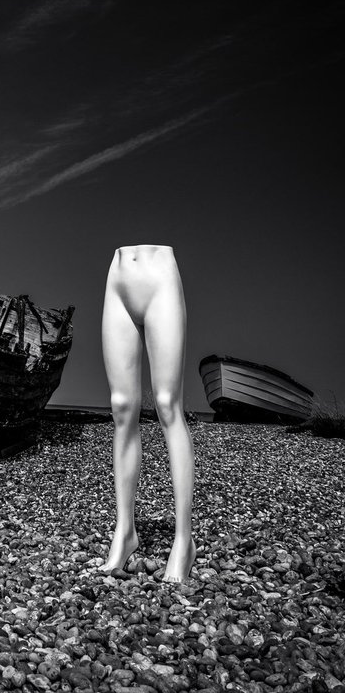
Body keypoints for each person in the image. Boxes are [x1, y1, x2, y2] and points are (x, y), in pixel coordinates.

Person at [99, 245, 196, 583]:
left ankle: (184, 539)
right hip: (120, 276)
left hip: (161, 277)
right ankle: (125, 531)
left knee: (168, 403)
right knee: (122, 406)